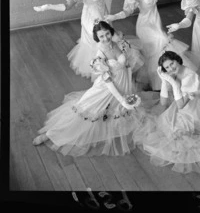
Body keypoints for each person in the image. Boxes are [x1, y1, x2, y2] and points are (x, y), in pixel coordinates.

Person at [32, 21, 145, 157]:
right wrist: (121, 99)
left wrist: (128, 83)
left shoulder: (117, 43)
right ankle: (50, 134)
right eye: (101, 36)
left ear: (111, 31)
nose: (105, 38)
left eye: (107, 34)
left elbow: (126, 65)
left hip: (123, 84)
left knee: (113, 112)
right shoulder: (100, 55)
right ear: (97, 38)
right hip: (107, 88)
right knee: (87, 109)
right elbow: (107, 80)